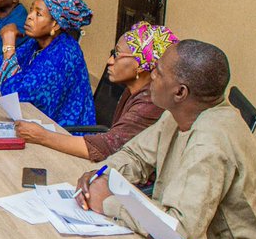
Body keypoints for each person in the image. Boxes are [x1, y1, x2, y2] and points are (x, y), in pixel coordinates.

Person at [76, 39, 256, 239]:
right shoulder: (180, 113)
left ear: (180, 92)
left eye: (158, 72)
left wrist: (109, 202)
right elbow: (136, 155)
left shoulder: (210, 142)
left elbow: (181, 230)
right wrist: (102, 174)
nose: (151, 75)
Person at [17, 21, 175, 155]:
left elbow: (105, 147)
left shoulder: (150, 103)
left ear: (140, 65)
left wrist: (42, 136)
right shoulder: (133, 89)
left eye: (117, 54)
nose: (110, 61)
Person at [0, 0, 96, 126]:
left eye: (38, 14)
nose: (29, 17)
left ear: (55, 25)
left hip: (64, 133)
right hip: (36, 120)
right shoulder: (36, 43)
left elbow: (14, 95)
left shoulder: (63, 53)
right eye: (31, 10)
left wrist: (8, 44)